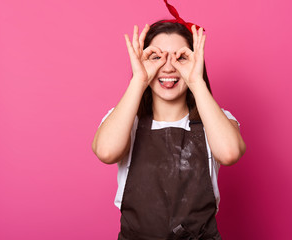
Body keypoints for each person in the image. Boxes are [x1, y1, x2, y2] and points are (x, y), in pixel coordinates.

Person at [92, 2, 246, 239]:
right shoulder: (125, 121)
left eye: (180, 58)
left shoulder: (216, 120)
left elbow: (229, 153)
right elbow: (105, 151)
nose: (168, 67)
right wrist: (139, 80)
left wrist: (195, 81)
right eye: (156, 57)